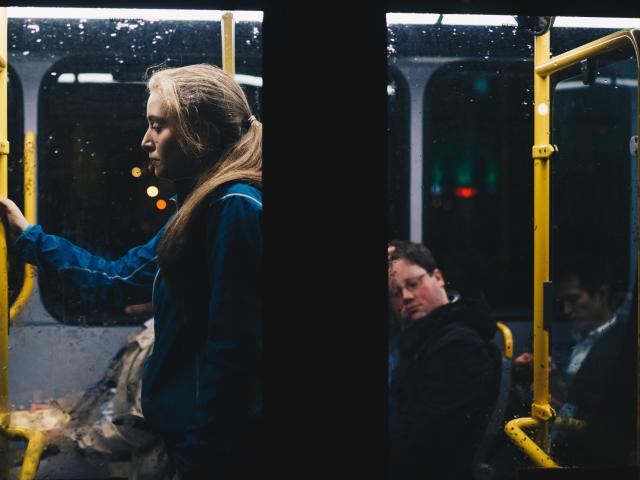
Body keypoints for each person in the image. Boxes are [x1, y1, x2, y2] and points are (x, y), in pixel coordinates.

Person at [0, 63, 263, 479]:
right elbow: (118, 279)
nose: (145, 141)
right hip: (190, 443)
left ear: (202, 134)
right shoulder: (197, 213)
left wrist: (198, 462)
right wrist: (28, 236)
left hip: (216, 455)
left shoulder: (236, 209)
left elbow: (234, 361)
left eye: (158, 126)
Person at [387, 240, 508, 480]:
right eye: (395, 293)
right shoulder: (424, 341)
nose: (407, 297)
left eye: (413, 283)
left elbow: (429, 441)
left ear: (438, 277)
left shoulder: (457, 346)